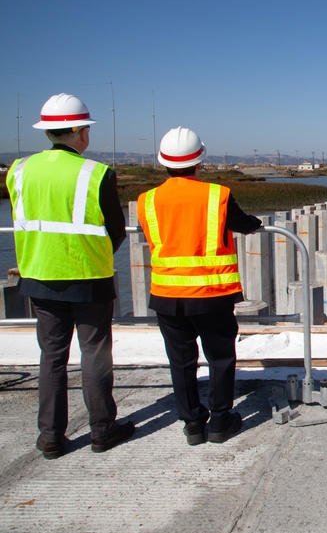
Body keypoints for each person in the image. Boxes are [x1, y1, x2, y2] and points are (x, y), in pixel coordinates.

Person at [6, 93, 134, 459]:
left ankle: (50, 437)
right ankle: (102, 430)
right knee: (94, 352)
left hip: (39, 276)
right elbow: (116, 229)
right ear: (79, 131)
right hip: (88, 277)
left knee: (51, 356)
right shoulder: (96, 174)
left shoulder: (19, 169)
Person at [137, 127, 262, 445]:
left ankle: (193, 424)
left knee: (181, 361)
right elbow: (240, 223)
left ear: (163, 161)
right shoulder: (216, 195)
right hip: (211, 294)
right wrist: (256, 224)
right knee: (220, 357)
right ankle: (220, 422)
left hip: (166, 295)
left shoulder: (147, 200)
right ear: (199, 161)